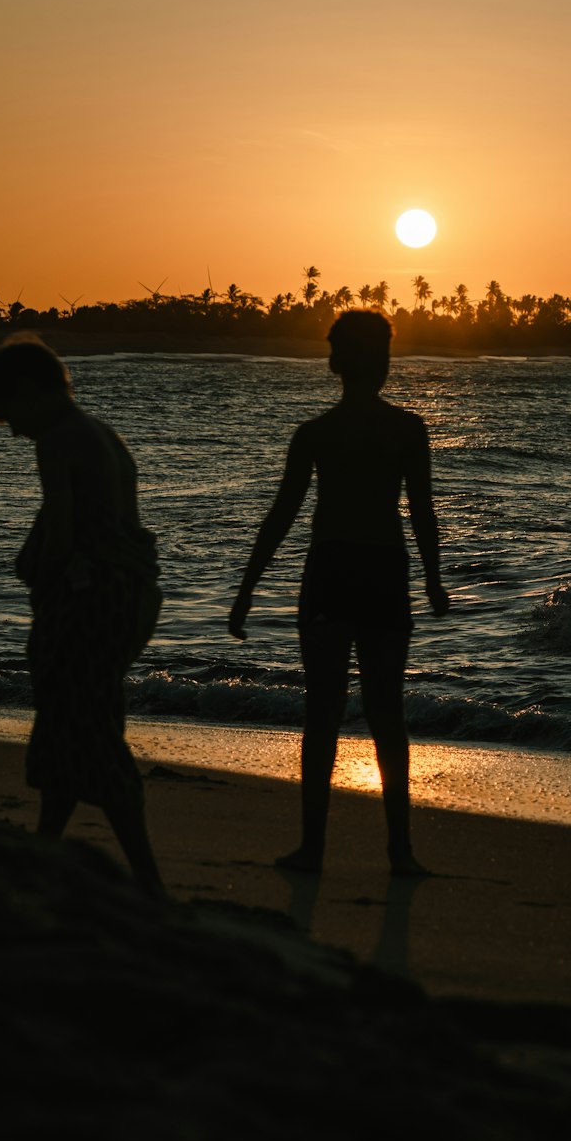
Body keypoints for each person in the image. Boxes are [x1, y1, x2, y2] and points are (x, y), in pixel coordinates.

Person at [228, 310, 449, 875]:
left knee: (323, 710)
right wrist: (434, 578)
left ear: (334, 363)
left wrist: (247, 588)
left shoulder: (317, 434)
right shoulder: (407, 428)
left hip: (330, 572)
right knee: (386, 711)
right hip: (383, 573)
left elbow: (282, 515)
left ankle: (314, 849)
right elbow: (421, 512)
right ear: (384, 364)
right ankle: (400, 851)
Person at [0, 334, 164, 896]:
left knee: (87, 722)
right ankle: (45, 849)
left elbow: (59, 538)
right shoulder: (103, 435)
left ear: (32, 391)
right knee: (71, 720)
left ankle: (147, 879)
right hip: (125, 600)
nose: (13, 430)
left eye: (11, 413)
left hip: (90, 603)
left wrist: (37, 570)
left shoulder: (58, 440)